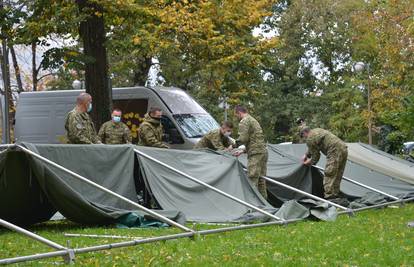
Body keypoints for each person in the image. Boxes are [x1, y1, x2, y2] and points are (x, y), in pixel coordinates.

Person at [300, 126, 348, 200]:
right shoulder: (317, 130)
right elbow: (314, 146)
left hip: (334, 151)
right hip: (343, 148)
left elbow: (316, 157)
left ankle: (330, 197)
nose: (304, 138)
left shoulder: (310, 138)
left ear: (305, 133)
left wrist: (308, 163)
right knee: (338, 173)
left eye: (302, 136)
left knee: (330, 173)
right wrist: (306, 155)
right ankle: (336, 194)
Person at [233, 105, 268, 199]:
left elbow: (243, 138)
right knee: (261, 179)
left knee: (252, 178)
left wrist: (233, 145)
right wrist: (242, 151)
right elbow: (255, 140)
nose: (236, 117)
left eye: (236, 115)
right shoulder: (253, 120)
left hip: (255, 153)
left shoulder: (244, 121)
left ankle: (252, 205)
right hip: (263, 151)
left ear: (239, 113)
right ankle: (264, 204)